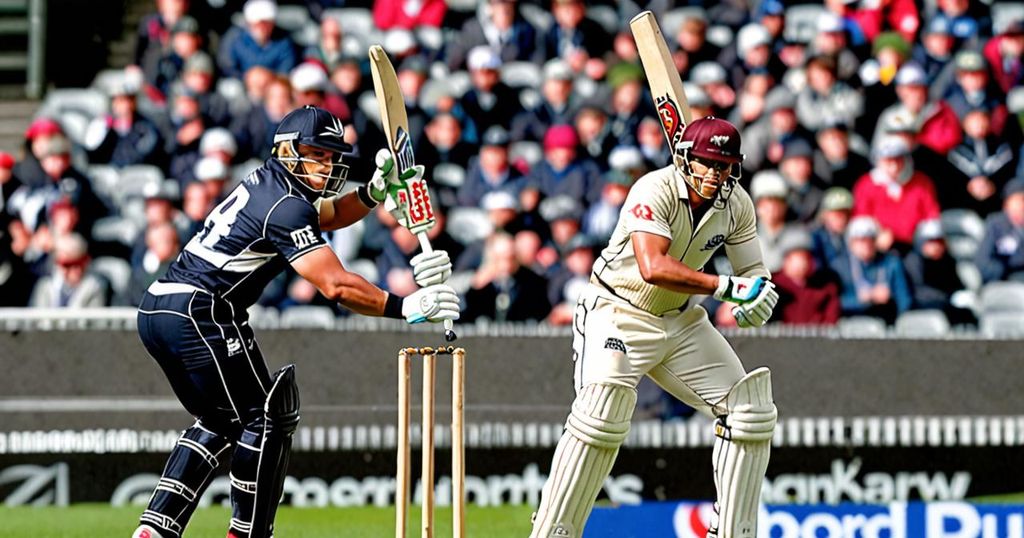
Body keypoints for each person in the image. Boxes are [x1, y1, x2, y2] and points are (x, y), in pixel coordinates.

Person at [131, 106, 460, 538]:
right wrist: (408, 307)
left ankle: (155, 529)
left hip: (159, 308)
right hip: (202, 309)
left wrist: (373, 194)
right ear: (287, 151)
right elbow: (336, 287)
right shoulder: (285, 205)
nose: (327, 165)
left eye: (330, 156)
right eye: (317, 155)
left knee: (220, 420)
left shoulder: (273, 186)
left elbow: (329, 215)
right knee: (265, 418)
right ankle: (248, 533)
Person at [529, 117, 778, 538]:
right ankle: (555, 531)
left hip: (680, 320)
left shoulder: (736, 204)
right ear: (686, 158)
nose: (716, 175)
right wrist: (724, 287)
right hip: (618, 310)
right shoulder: (653, 188)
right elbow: (653, 266)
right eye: (707, 163)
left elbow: (753, 270)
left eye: (724, 166)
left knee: (750, 411)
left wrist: (758, 297)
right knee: (602, 412)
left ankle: (735, 532)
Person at [976, 178, 1024, 283]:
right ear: (1006, 205)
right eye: (1017, 201)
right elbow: (983, 263)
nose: (1021, 207)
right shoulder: (996, 225)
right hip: (1004, 281)